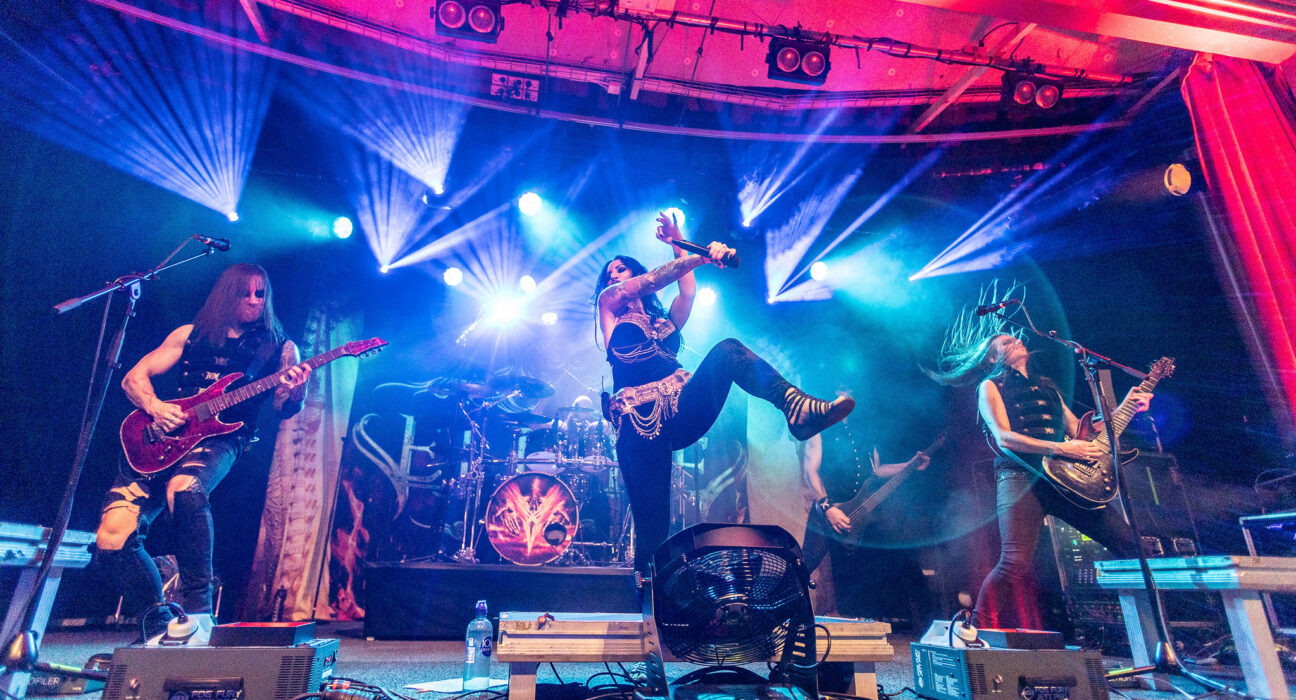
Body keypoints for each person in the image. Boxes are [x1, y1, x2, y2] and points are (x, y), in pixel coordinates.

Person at [595, 213, 854, 574]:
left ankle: (795, 406)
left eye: (620, 270)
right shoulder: (609, 305)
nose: (614, 276)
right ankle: (647, 607)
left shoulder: (664, 322)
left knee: (729, 351)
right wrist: (704, 255)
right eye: (610, 274)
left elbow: (687, 290)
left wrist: (678, 239)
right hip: (637, 426)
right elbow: (654, 279)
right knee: (654, 527)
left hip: (678, 409)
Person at [94, 263, 310, 635]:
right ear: (228, 294)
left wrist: (297, 389)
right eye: (246, 293)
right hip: (162, 436)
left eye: (261, 294)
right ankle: (158, 626)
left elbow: (284, 407)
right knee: (112, 537)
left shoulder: (280, 347)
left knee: (186, 490)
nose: (255, 301)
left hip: (222, 439)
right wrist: (156, 408)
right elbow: (133, 379)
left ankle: (198, 612)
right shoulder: (189, 335)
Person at [929, 308, 1151, 628]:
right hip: (1020, 477)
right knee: (1014, 562)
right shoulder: (991, 387)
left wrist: (1126, 407)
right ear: (992, 359)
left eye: (1014, 337)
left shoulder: (1047, 386)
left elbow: (1080, 432)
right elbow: (1004, 437)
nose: (1016, 340)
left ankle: (1157, 628)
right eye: (1005, 343)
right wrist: (1060, 447)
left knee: (1130, 544)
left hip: (1064, 478)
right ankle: (974, 628)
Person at [799, 416, 930, 616]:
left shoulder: (863, 428)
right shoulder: (820, 428)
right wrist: (828, 508)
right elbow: (811, 472)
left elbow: (876, 471)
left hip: (859, 513)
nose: (846, 391)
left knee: (854, 573)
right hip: (830, 508)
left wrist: (910, 465)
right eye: (841, 388)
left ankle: (867, 622)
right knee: (804, 566)